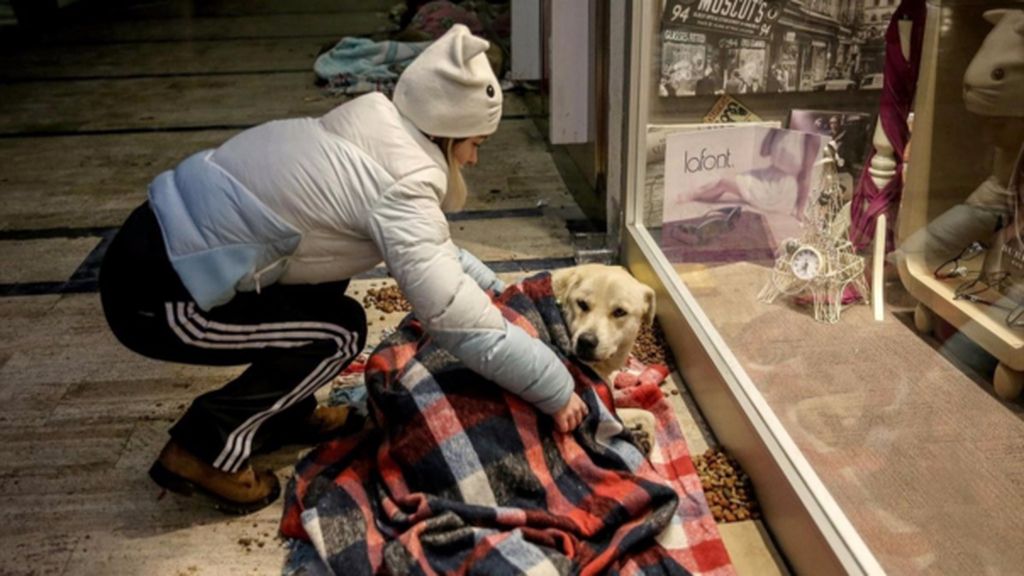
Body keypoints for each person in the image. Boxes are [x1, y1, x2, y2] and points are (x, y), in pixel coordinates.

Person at [99, 24, 587, 515]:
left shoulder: (376, 129)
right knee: (337, 334)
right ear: (446, 131)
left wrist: (494, 289)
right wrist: (557, 389)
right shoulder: (400, 187)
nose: (475, 159)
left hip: (164, 251)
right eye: (475, 143)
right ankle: (202, 450)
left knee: (327, 287)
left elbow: (433, 253)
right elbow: (457, 322)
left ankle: (285, 414)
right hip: (159, 295)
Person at [679, 129, 820, 220]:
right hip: (768, 174)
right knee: (728, 179)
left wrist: (800, 210)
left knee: (724, 183)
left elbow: (806, 175)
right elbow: (764, 152)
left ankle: (694, 194)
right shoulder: (783, 130)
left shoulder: (810, 137)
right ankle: (700, 194)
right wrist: (774, 131)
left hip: (782, 189)